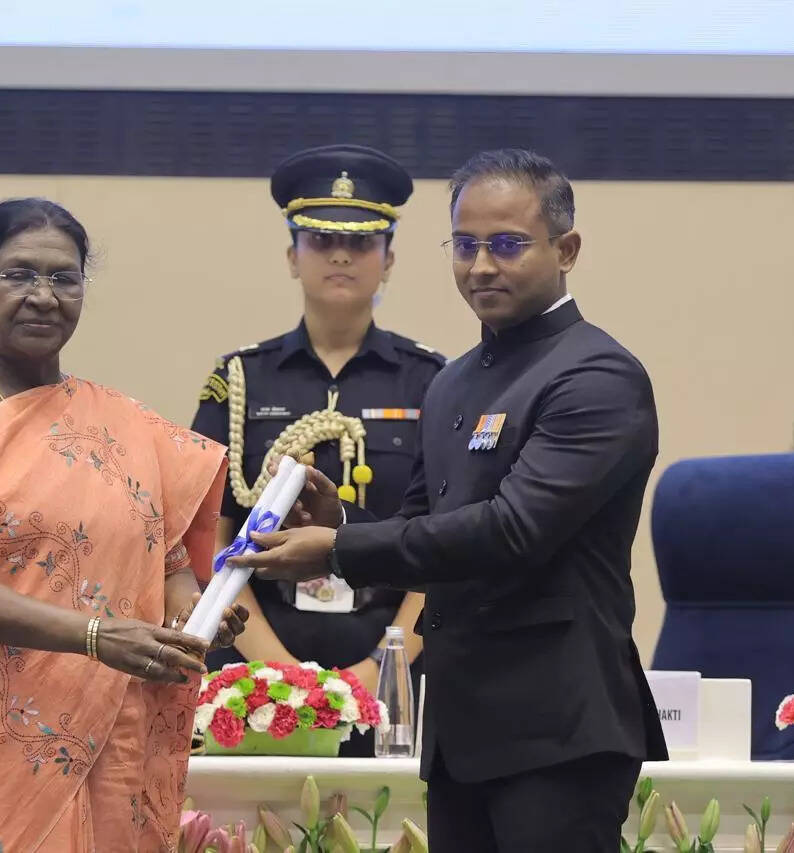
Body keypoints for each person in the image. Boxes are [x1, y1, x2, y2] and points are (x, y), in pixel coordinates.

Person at [228, 149, 667, 851]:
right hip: (461, 731)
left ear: (567, 249)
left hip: (558, 731)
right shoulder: (455, 381)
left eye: (507, 245)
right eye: (465, 245)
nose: (481, 266)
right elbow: (419, 528)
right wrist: (338, 519)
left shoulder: (596, 373)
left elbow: (513, 531)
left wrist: (339, 549)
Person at [0, 198, 248, 852]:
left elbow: (169, 564)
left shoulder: (122, 425)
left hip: (106, 739)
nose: (43, 295)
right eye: (18, 275)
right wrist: (94, 636)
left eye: (63, 278)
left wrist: (193, 613)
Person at [190, 144, 445, 756]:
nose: (340, 254)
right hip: (254, 657)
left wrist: (382, 666)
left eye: (361, 244)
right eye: (319, 239)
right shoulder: (240, 379)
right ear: (291, 256)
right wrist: (276, 671)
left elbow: (448, 542)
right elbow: (208, 534)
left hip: (392, 660)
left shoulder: (433, 382)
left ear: (387, 261)